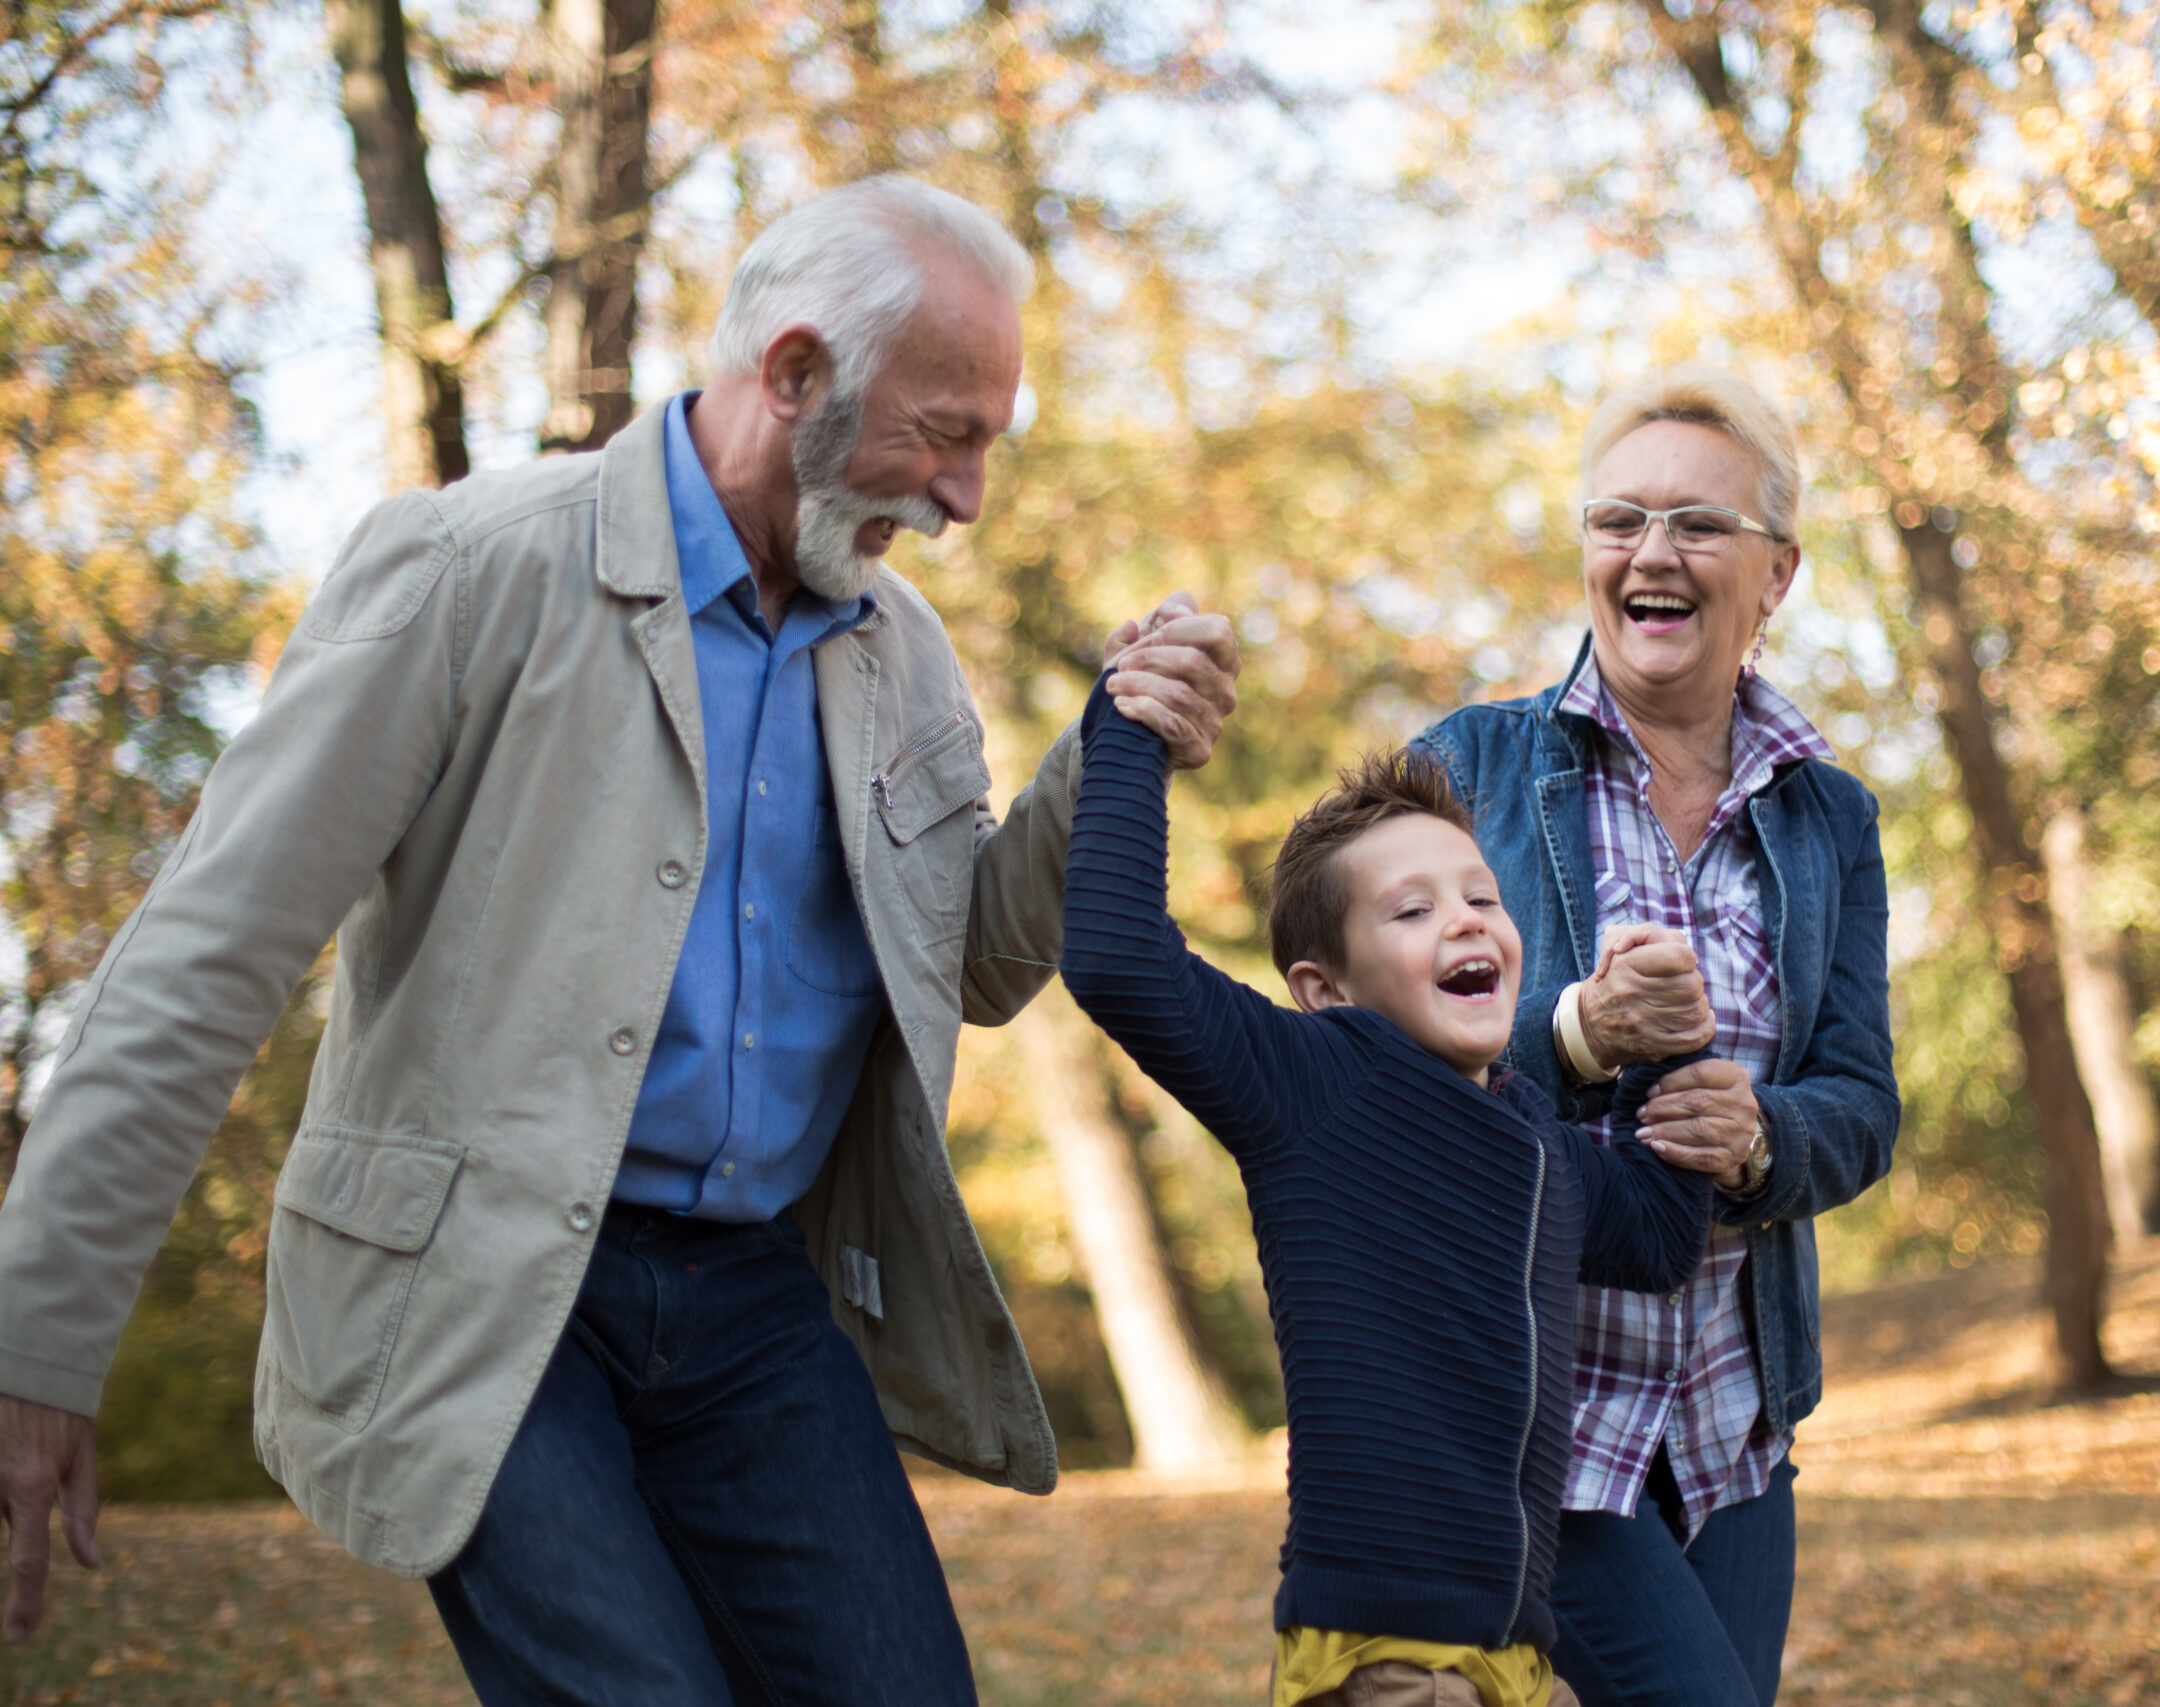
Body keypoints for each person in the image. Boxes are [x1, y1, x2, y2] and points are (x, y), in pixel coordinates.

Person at [0, 175, 1242, 1705]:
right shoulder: (469, 569)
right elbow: (203, 957)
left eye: (987, 438)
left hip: (753, 1303)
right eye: (946, 431)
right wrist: (35, 1343)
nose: (967, 495)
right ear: (791, 374)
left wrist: (1095, 763)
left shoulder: (900, 652)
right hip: (487, 1282)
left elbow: (967, 966)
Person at [1060, 664, 1717, 1707]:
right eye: (1410, 911)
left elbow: (1653, 1237)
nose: (1465, 922)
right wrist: (1134, 734)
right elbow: (1113, 959)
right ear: (1324, 992)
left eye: (1480, 897)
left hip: (1515, 1654)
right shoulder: (1319, 1085)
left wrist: (1664, 1051)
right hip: (1387, 1658)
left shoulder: (1530, 1138)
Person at [1415, 363, 1899, 1707]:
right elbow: (1354, 1071)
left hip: (1735, 1426)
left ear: (1778, 572)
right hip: (1536, 1414)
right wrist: (1572, 1034)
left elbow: (1862, 1098)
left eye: (1697, 523)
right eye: (1617, 519)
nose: (1651, 551)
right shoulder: (1465, 767)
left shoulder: (1828, 818)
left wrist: (1763, 1136)